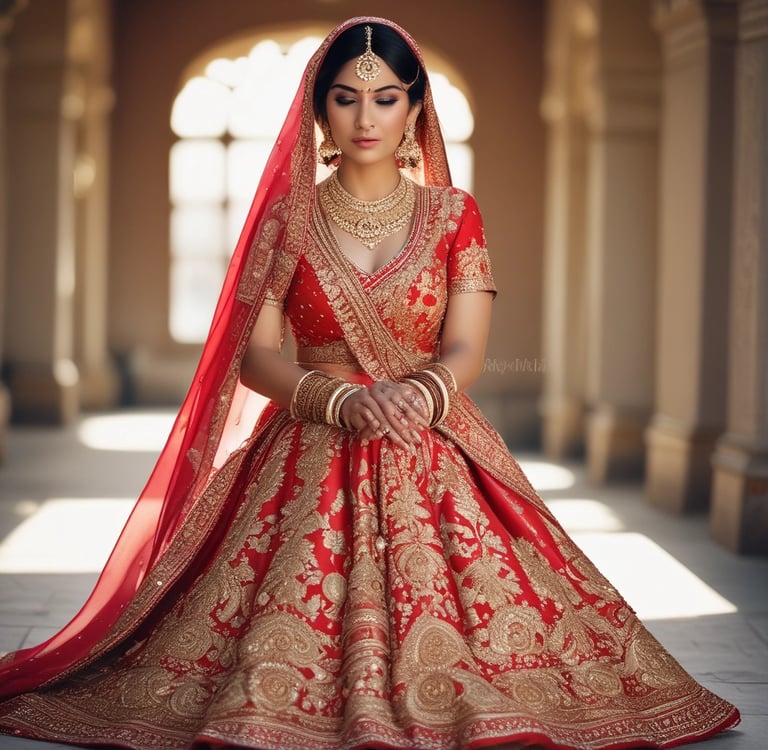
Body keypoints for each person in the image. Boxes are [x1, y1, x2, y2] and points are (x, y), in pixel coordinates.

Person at [0, 16, 739, 750]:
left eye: (386, 97)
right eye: (347, 98)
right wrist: (345, 398)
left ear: (416, 107)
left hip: (429, 434)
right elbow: (255, 357)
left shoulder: (454, 214)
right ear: (319, 108)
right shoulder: (287, 219)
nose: (366, 117)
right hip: (309, 441)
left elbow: (466, 349)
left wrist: (417, 393)